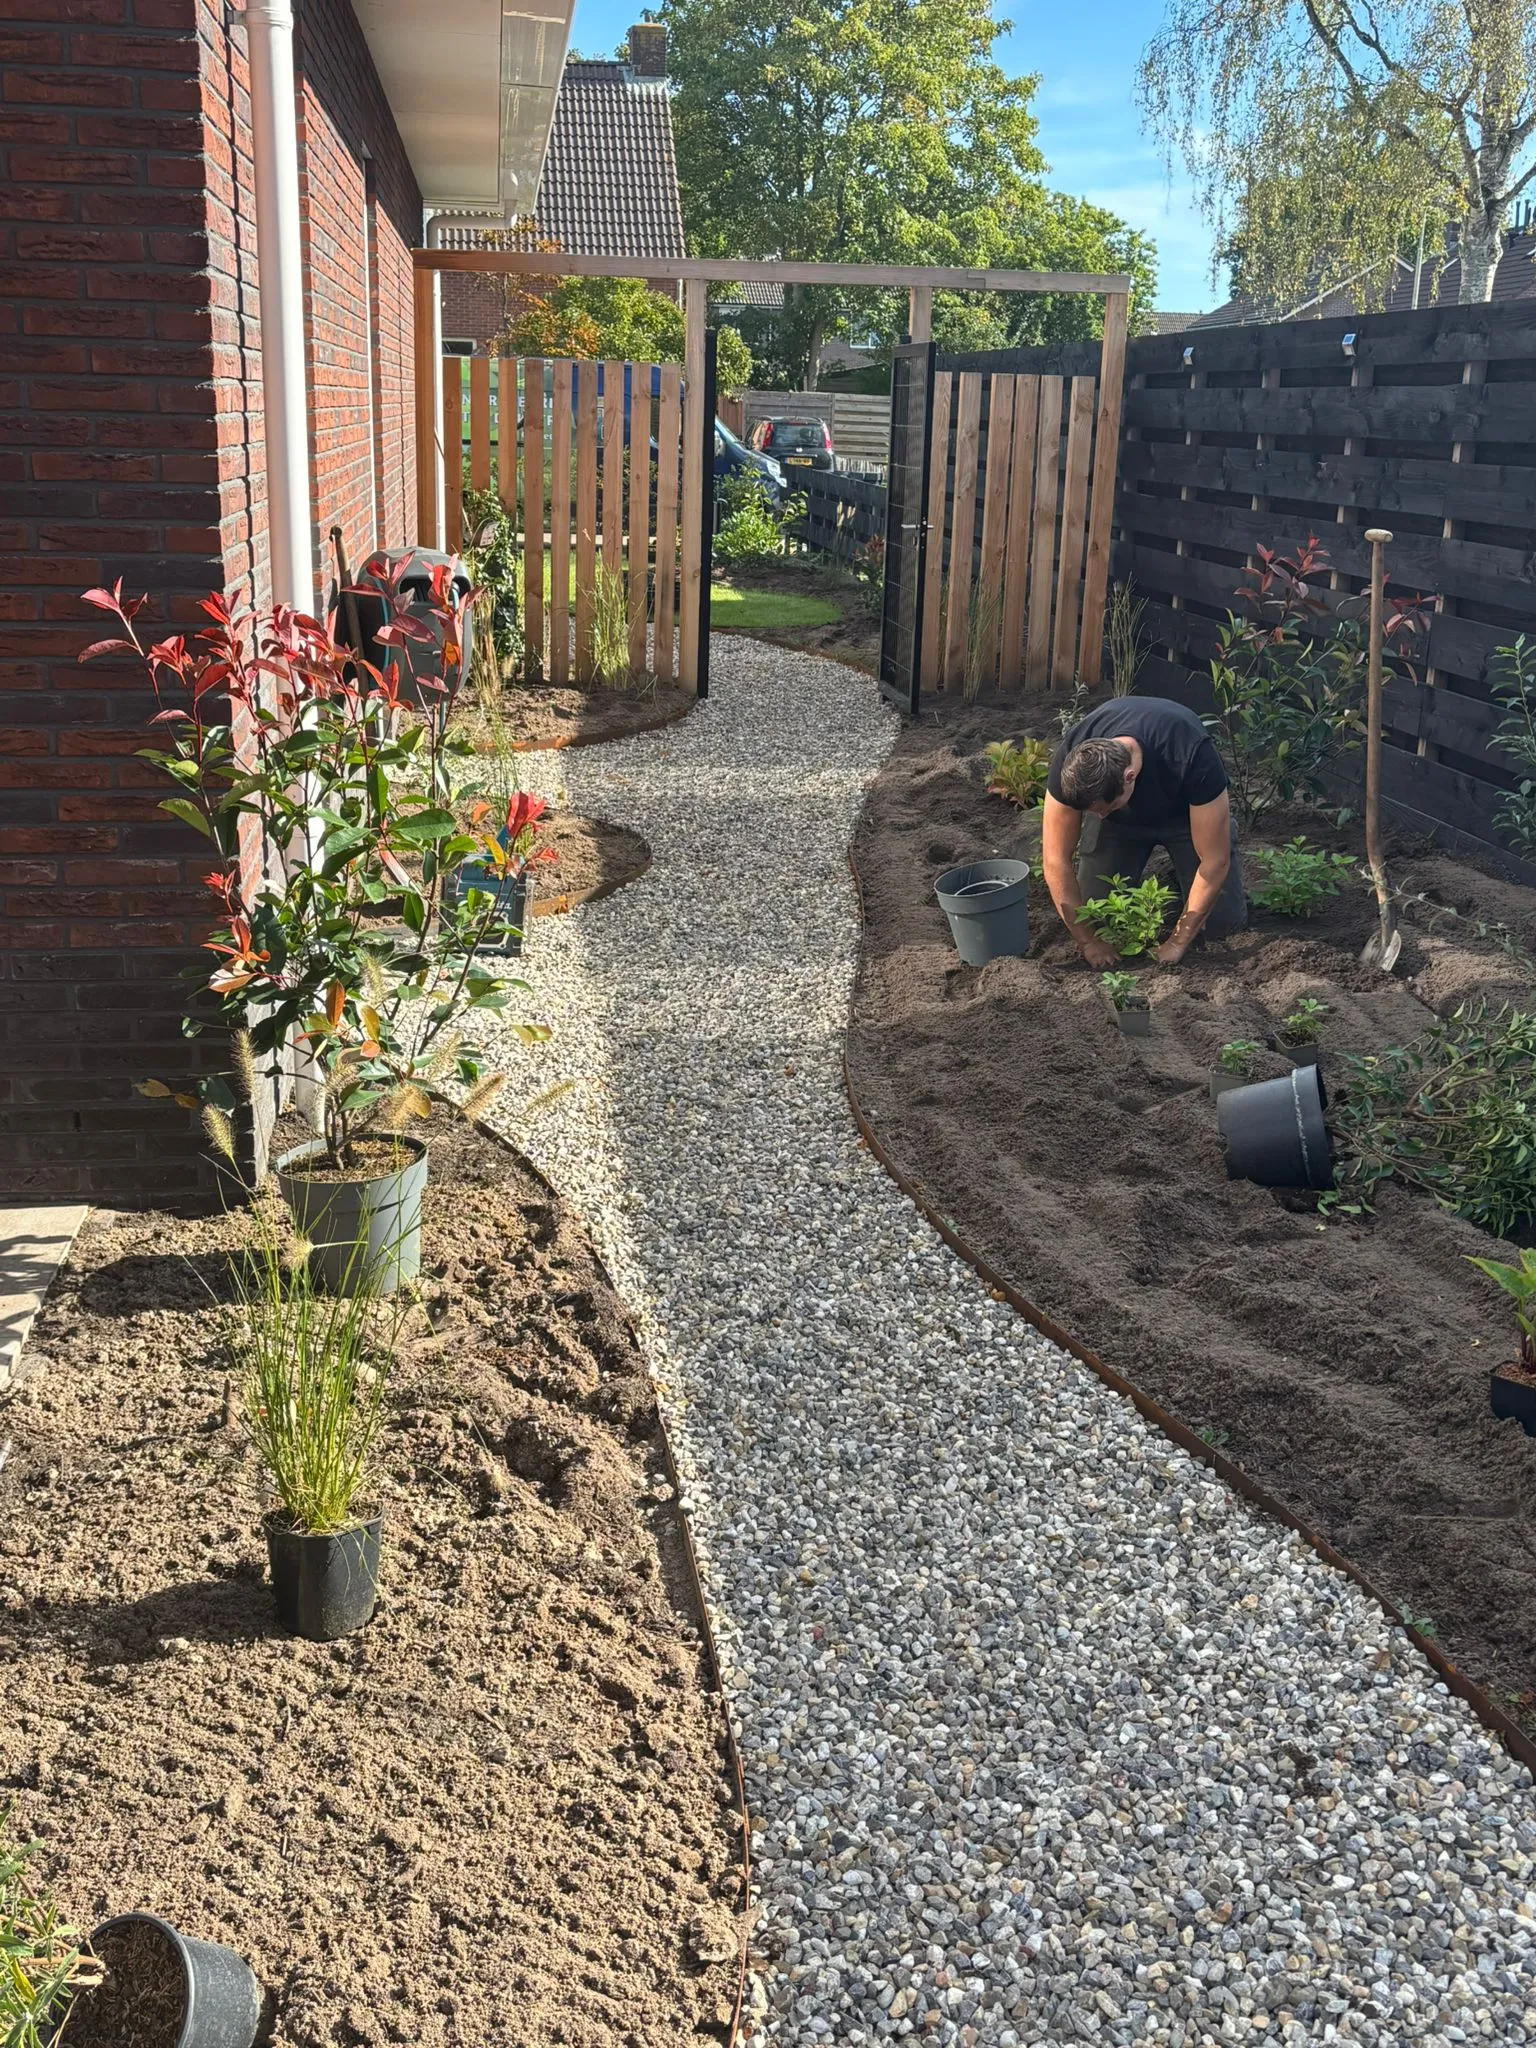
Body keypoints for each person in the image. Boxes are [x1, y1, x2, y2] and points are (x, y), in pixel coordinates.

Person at [1041, 696, 1245, 968]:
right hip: (1123, 824)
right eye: (1093, 812)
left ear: (1129, 777)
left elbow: (1214, 861)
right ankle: (1178, 882)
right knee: (1102, 919)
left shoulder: (1190, 752)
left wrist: (1177, 942)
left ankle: (1181, 878)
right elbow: (1055, 861)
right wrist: (1089, 941)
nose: (1099, 817)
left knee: (1223, 923)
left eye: (1104, 809)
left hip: (1186, 816)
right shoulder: (1074, 762)